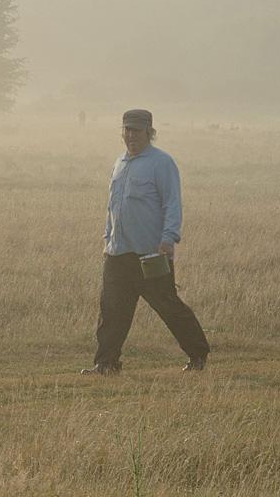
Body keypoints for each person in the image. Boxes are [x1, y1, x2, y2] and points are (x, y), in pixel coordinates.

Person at [82, 109, 210, 375]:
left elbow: (172, 203)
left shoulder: (162, 163)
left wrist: (168, 239)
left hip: (151, 254)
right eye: (126, 130)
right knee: (111, 311)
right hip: (118, 252)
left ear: (148, 133)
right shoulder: (119, 163)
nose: (131, 136)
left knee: (169, 307)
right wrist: (108, 240)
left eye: (136, 131)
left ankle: (198, 355)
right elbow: (113, 207)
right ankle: (106, 363)